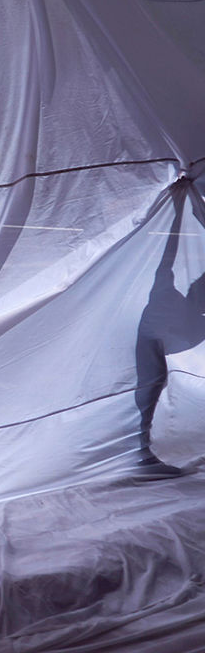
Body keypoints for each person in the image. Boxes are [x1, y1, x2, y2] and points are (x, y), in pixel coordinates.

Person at [134, 177, 205, 478]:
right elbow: (168, 249)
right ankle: (141, 452)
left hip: (150, 341)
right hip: (148, 340)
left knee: (148, 392)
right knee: (147, 392)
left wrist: (180, 205)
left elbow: (168, 250)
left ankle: (142, 451)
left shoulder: (187, 312)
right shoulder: (166, 294)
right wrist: (180, 205)